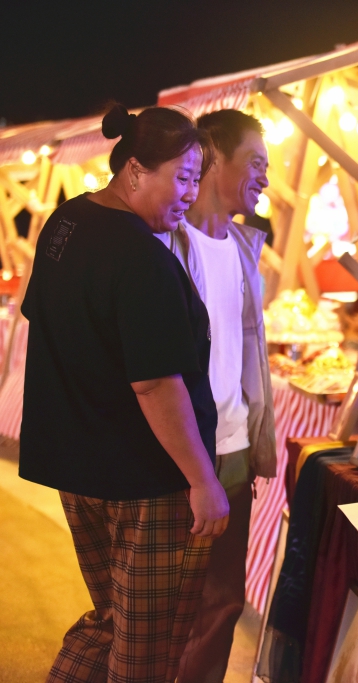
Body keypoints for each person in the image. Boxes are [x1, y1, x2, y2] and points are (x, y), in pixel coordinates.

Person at [19, 104, 228, 682]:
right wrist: (202, 480)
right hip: (144, 481)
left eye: (196, 179)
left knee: (112, 620)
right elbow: (155, 382)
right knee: (147, 646)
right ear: (135, 169)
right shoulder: (140, 257)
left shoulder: (65, 222)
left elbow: (48, 321)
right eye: (181, 177)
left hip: (81, 466)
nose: (190, 193)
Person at [158, 109, 277, 682]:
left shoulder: (246, 248)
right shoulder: (164, 245)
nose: (265, 178)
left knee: (223, 605)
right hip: (177, 456)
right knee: (163, 612)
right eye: (255, 162)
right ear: (210, 155)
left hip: (233, 451)